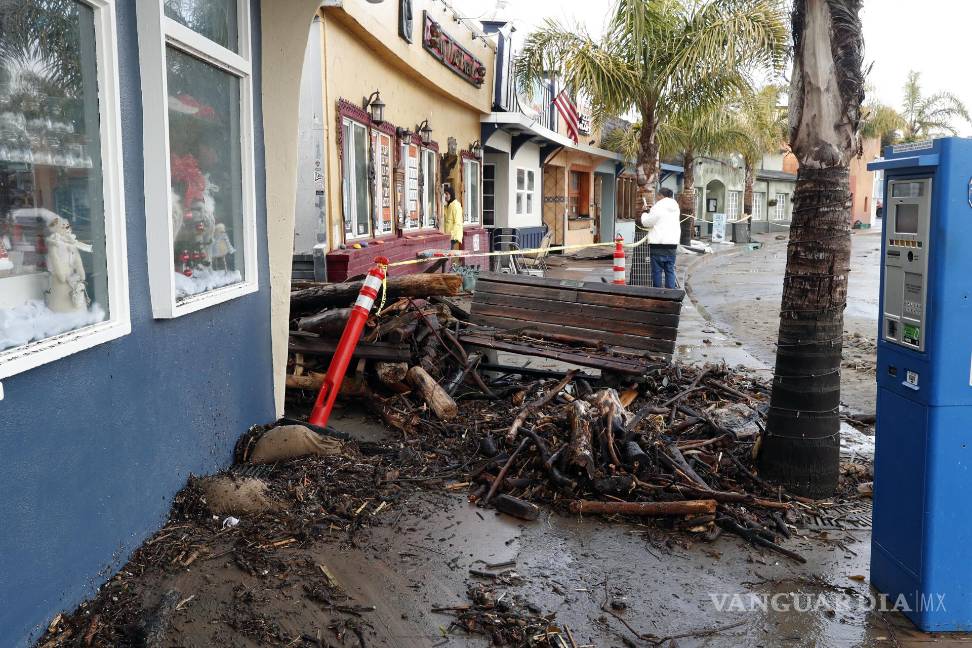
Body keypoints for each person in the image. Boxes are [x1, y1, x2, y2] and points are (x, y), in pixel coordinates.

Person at [640, 187, 681, 289]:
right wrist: (652, 210)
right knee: (670, 270)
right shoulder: (675, 207)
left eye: (657, 195)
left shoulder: (658, 207)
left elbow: (647, 222)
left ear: (661, 196)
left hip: (658, 244)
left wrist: (644, 213)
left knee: (657, 271)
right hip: (672, 244)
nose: (656, 197)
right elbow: (662, 218)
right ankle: (670, 293)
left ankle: (657, 293)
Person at [442, 186, 463, 251]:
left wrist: (452, 235)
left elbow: (457, 222)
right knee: (448, 251)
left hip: (453, 235)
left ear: (451, 194)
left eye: (447, 194)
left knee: (448, 251)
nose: (445, 196)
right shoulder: (447, 206)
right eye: (444, 194)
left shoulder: (455, 205)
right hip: (447, 234)